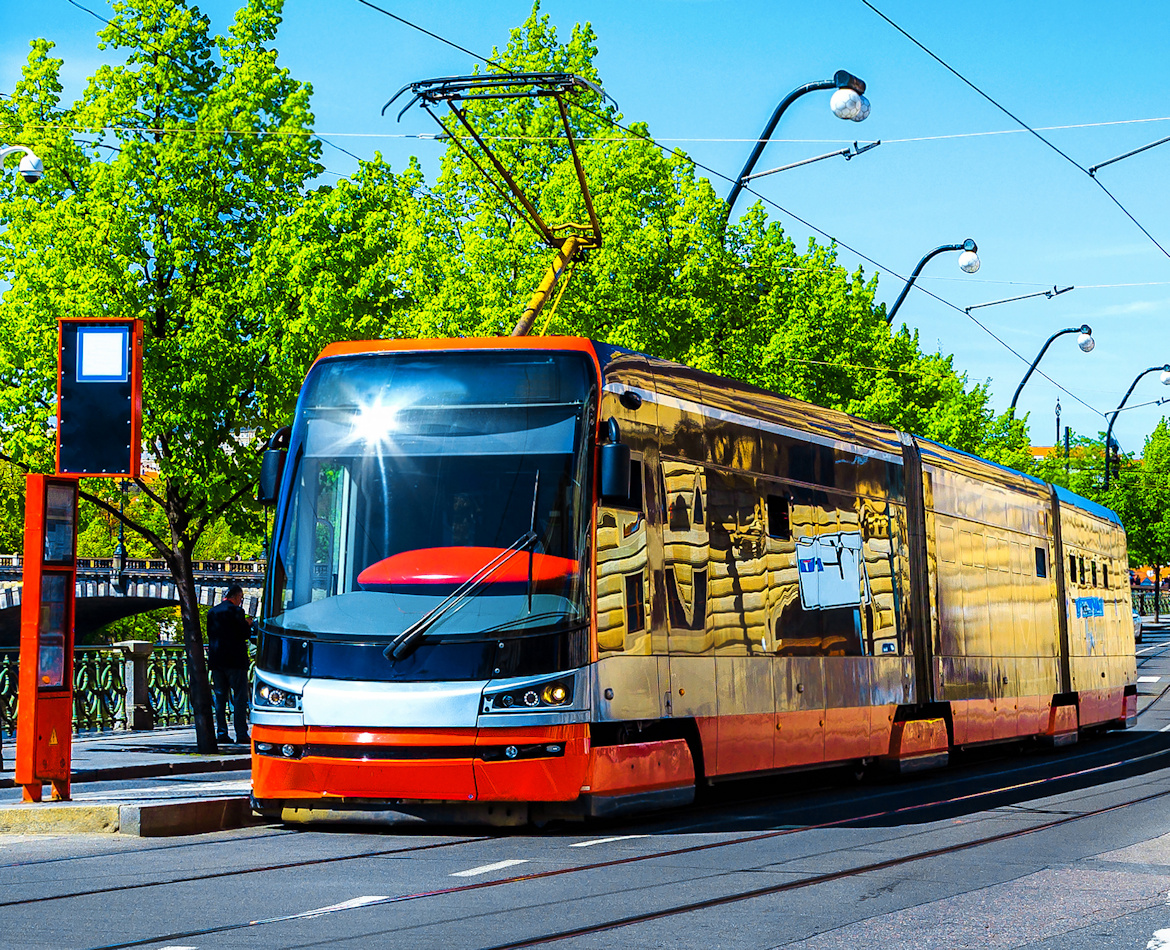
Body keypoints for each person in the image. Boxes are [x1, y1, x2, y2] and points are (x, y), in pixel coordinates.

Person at [206, 583, 253, 744]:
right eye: (241, 598)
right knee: (239, 698)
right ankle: (241, 733)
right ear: (236, 596)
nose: (241, 601)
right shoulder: (237, 612)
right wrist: (248, 624)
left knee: (220, 698)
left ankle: (221, 733)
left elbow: (211, 635)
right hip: (236, 661)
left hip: (217, 661)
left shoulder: (212, 612)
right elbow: (244, 634)